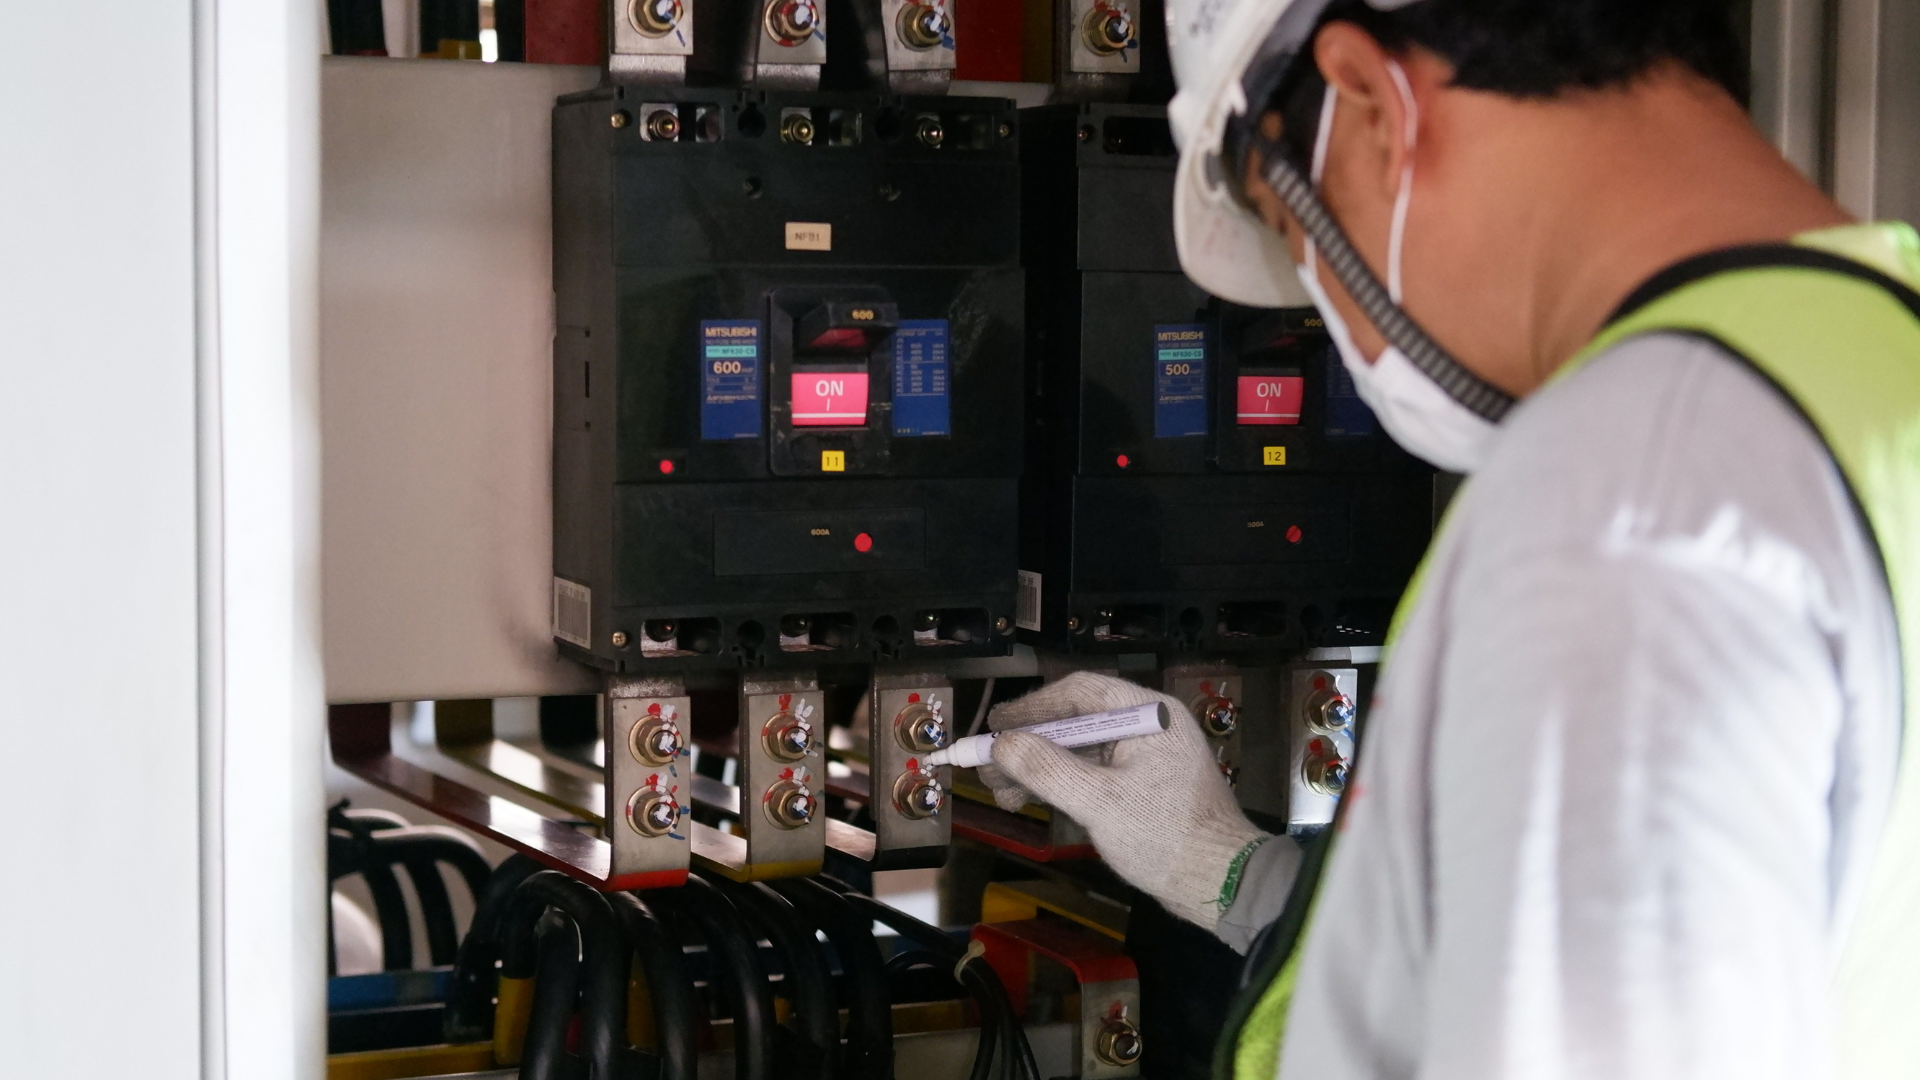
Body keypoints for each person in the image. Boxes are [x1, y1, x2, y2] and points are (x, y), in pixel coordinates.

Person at [978, 1, 1920, 1077]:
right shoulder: (1875, 360)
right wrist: (1234, 874)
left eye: (1298, 241)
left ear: (1373, 105)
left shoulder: (1624, 505)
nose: (1333, 325)